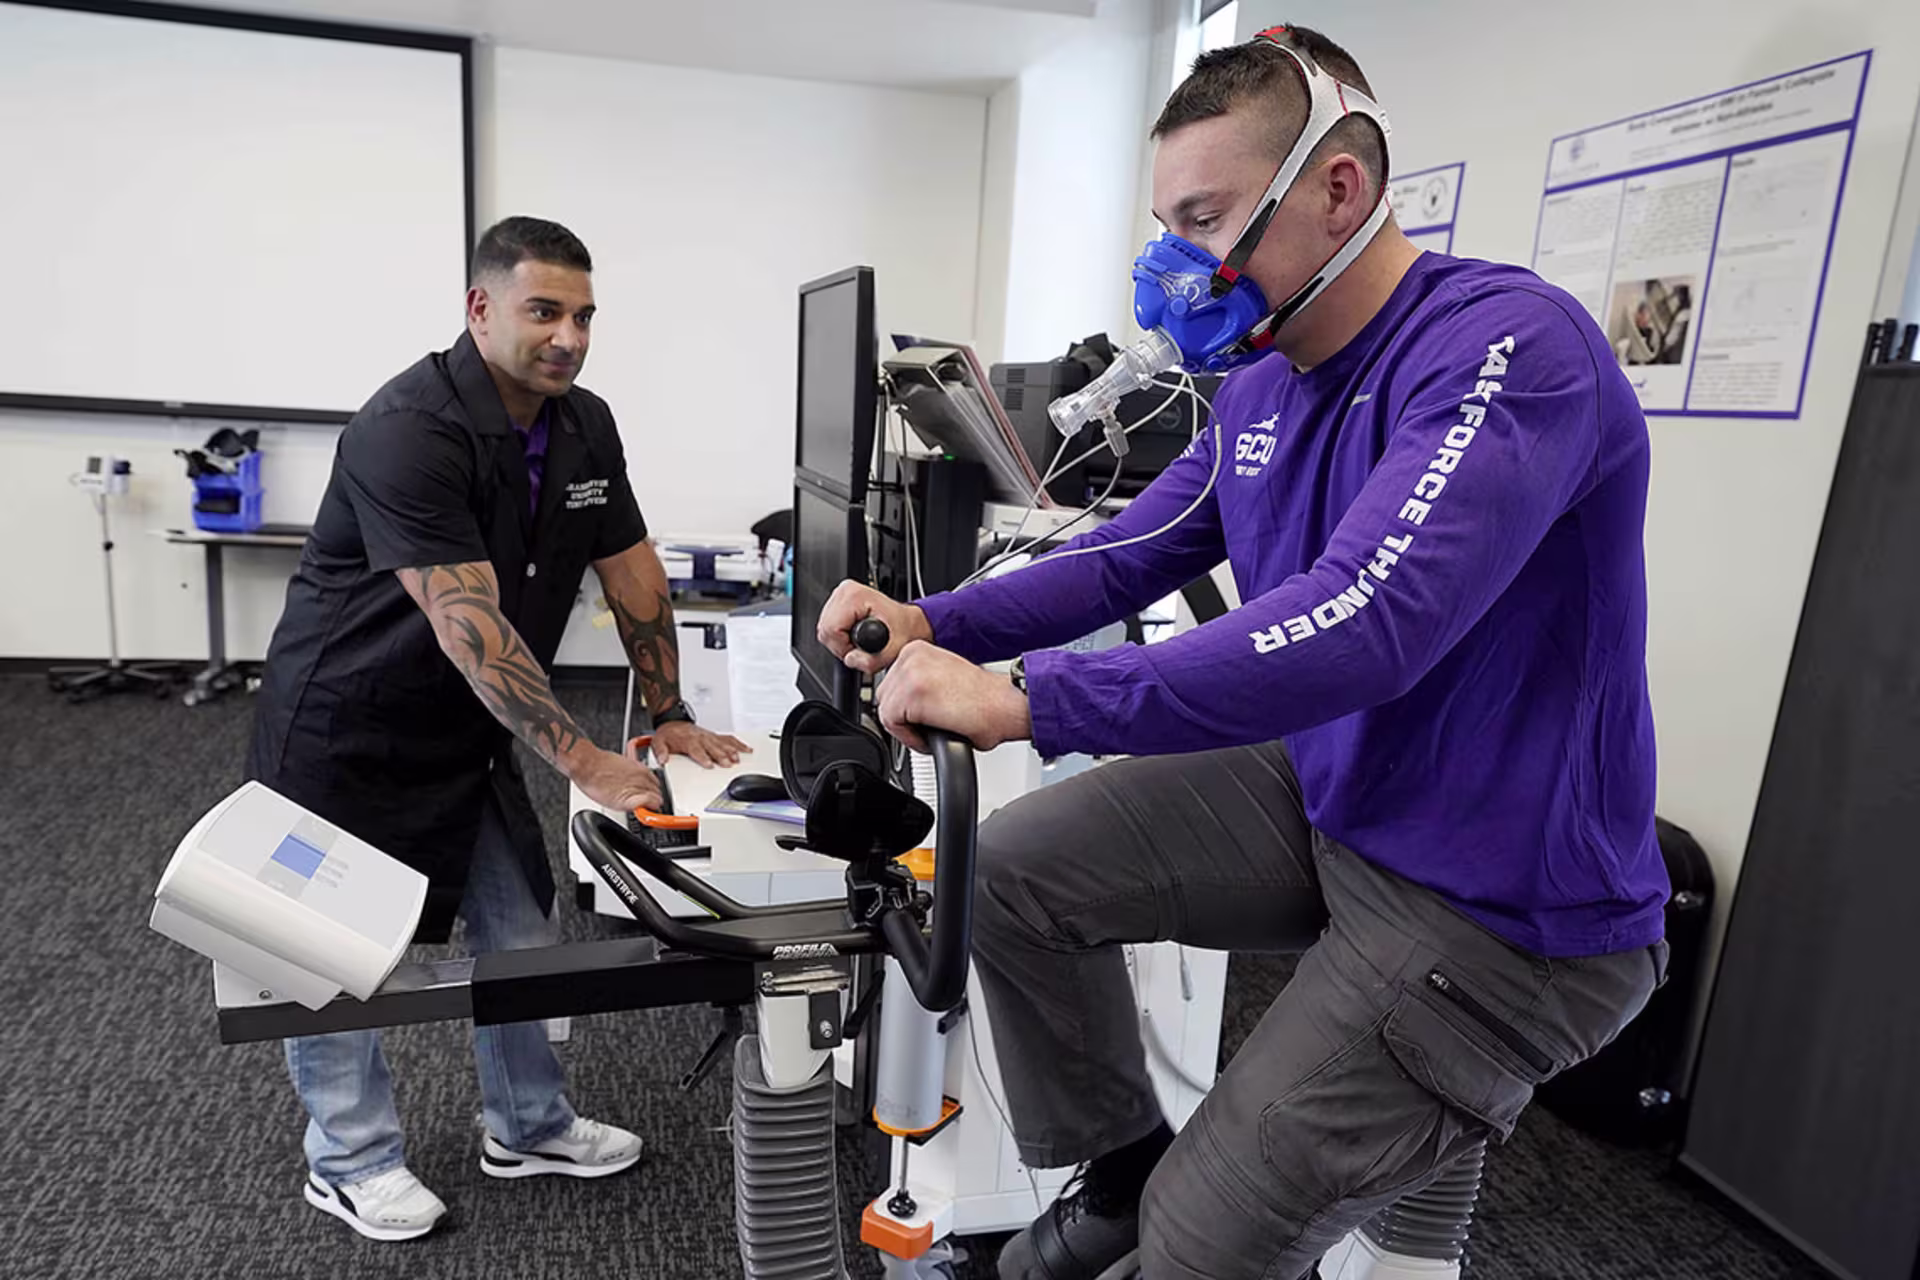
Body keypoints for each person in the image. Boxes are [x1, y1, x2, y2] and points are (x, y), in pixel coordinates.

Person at [822, 26, 1669, 1280]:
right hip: (1344, 796)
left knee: (1202, 1244)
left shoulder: (1505, 348)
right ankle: (1119, 1167)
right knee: (1003, 876)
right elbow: (1127, 552)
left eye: (1206, 220)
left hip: (1505, 909)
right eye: (1165, 227)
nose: (1177, 266)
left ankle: (1167, 1223)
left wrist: (1031, 698)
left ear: (1337, 191)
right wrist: (940, 618)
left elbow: (1365, 619)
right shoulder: (1262, 389)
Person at [249, 215, 749, 1242]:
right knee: (333, 952)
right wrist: (589, 762)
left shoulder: (583, 424)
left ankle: (528, 1122)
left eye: (583, 315)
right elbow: (469, 626)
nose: (568, 335)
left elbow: (634, 571)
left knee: (521, 929)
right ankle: (348, 1159)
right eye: (544, 310)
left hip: (468, 731)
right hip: (347, 722)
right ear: (481, 309)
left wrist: (668, 712)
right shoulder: (407, 427)